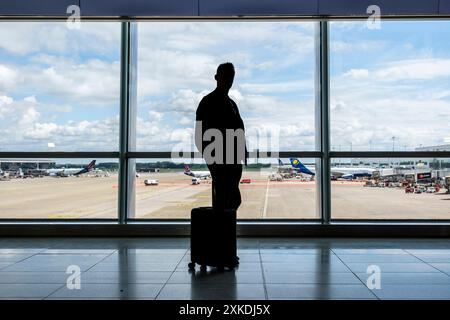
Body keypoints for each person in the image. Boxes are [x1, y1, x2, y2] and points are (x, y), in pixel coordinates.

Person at [195, 62, 247, 210]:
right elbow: (200, 135)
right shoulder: (207, 102)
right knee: (225, 198)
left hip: (233, 157)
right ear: (217, 77)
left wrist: (242, 151)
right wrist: (211, 157)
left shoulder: (232, 104)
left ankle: (223, 230)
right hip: (219, 159)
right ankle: (222, 230)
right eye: (226, 76)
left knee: (231, 198)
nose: (229, 80)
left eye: (231, 76)